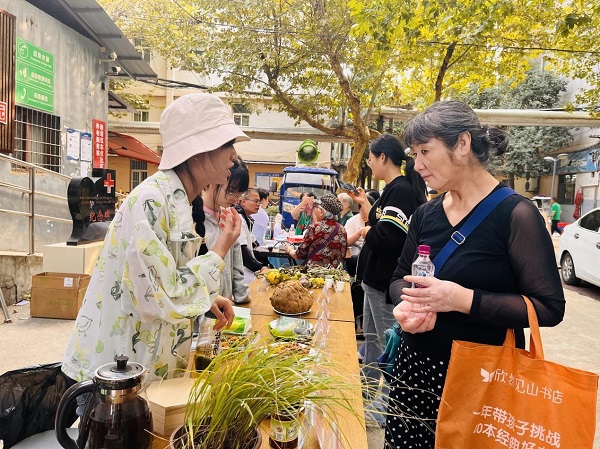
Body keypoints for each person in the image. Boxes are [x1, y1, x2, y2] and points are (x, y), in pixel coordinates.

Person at [386, 100, 565, 447]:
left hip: (482, 380)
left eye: (425, 151)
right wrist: (404, 307)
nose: (417, 165)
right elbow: (398, 279)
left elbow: (549, 307)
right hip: (414, 371)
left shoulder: (516, 215)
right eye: (414, 154)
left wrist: (460, 299)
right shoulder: (425, 214)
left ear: (463, 144)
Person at [62, 93, 247, 383]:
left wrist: (204, 297)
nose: (234, 155)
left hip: (147, 363)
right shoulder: (152, 200)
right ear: (198, 150)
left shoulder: (177, 199)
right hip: (119, 372)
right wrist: (219, 250)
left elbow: (164, 280)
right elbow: (157, 297)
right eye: (227, 144)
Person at [350, 134, 428, 426]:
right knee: (371, 341)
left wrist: (366, 232)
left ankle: (385, 406)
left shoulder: (402, 191)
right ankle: (367, 392)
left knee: (387, 344)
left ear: (383, 157)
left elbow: (389, 237)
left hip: (386, 282)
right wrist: (365, 206)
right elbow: (382, 223)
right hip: (374, 280)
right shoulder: (391, 190)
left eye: (371, 158)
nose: (369, 164)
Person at [194, 158, 250, 304]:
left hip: (228, 308)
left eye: (240, 194)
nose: (236, 200)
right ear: (214, 180)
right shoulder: (192, 221)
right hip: (202, 308)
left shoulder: (229, 218)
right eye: (231, 191)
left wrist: (243, 298)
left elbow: (237, 267)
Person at [285, 193, 348, 267]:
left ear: (321, 212)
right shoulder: (342, 229)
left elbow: (299, 255)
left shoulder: (315, 228)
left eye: (315, 208)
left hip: (315, 272)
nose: (313, 210)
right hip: (335, 272)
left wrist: (289, 250)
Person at [235, 188, 270, 282]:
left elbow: (255, 245)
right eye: (256, 201)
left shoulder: (247, 219)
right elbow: (241, 251)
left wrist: (266, 264)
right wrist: (260, 268)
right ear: (243, 202)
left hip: (248, 269)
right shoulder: (239, 219)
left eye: (259, 202)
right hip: (242, 272)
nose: (258, 204)